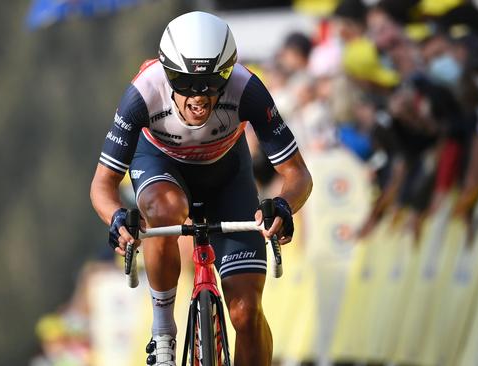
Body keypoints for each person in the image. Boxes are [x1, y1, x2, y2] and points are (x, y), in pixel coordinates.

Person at [89, 11, 312, 366]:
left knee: (246, 313)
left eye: (212, 82)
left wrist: (284, 205)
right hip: (162, 168)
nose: (199, 95)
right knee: (164, 210)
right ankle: (163, 334)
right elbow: (102, 184)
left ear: (228, 73)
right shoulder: (143, 92)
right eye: (185, 82)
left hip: (227, 178)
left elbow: (298, 173)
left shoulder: (248, 87)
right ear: (166, 72)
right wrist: (117, 218)